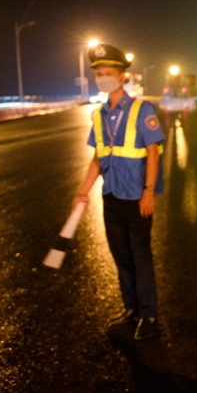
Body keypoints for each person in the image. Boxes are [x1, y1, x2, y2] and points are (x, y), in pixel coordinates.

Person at [73, 43, 166, 341]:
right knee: (121, 256)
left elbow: (153, 152)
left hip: (137, 197)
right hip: (111, 196)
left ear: (123, 76)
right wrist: (83, 191)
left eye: (108, 73)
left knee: (140, 257)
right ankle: (131, 310)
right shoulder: (99, 115)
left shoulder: (142, 109)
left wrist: (149, 191)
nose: (103, 78)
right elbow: (98, 157)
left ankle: (149, 316)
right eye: (99, 73)